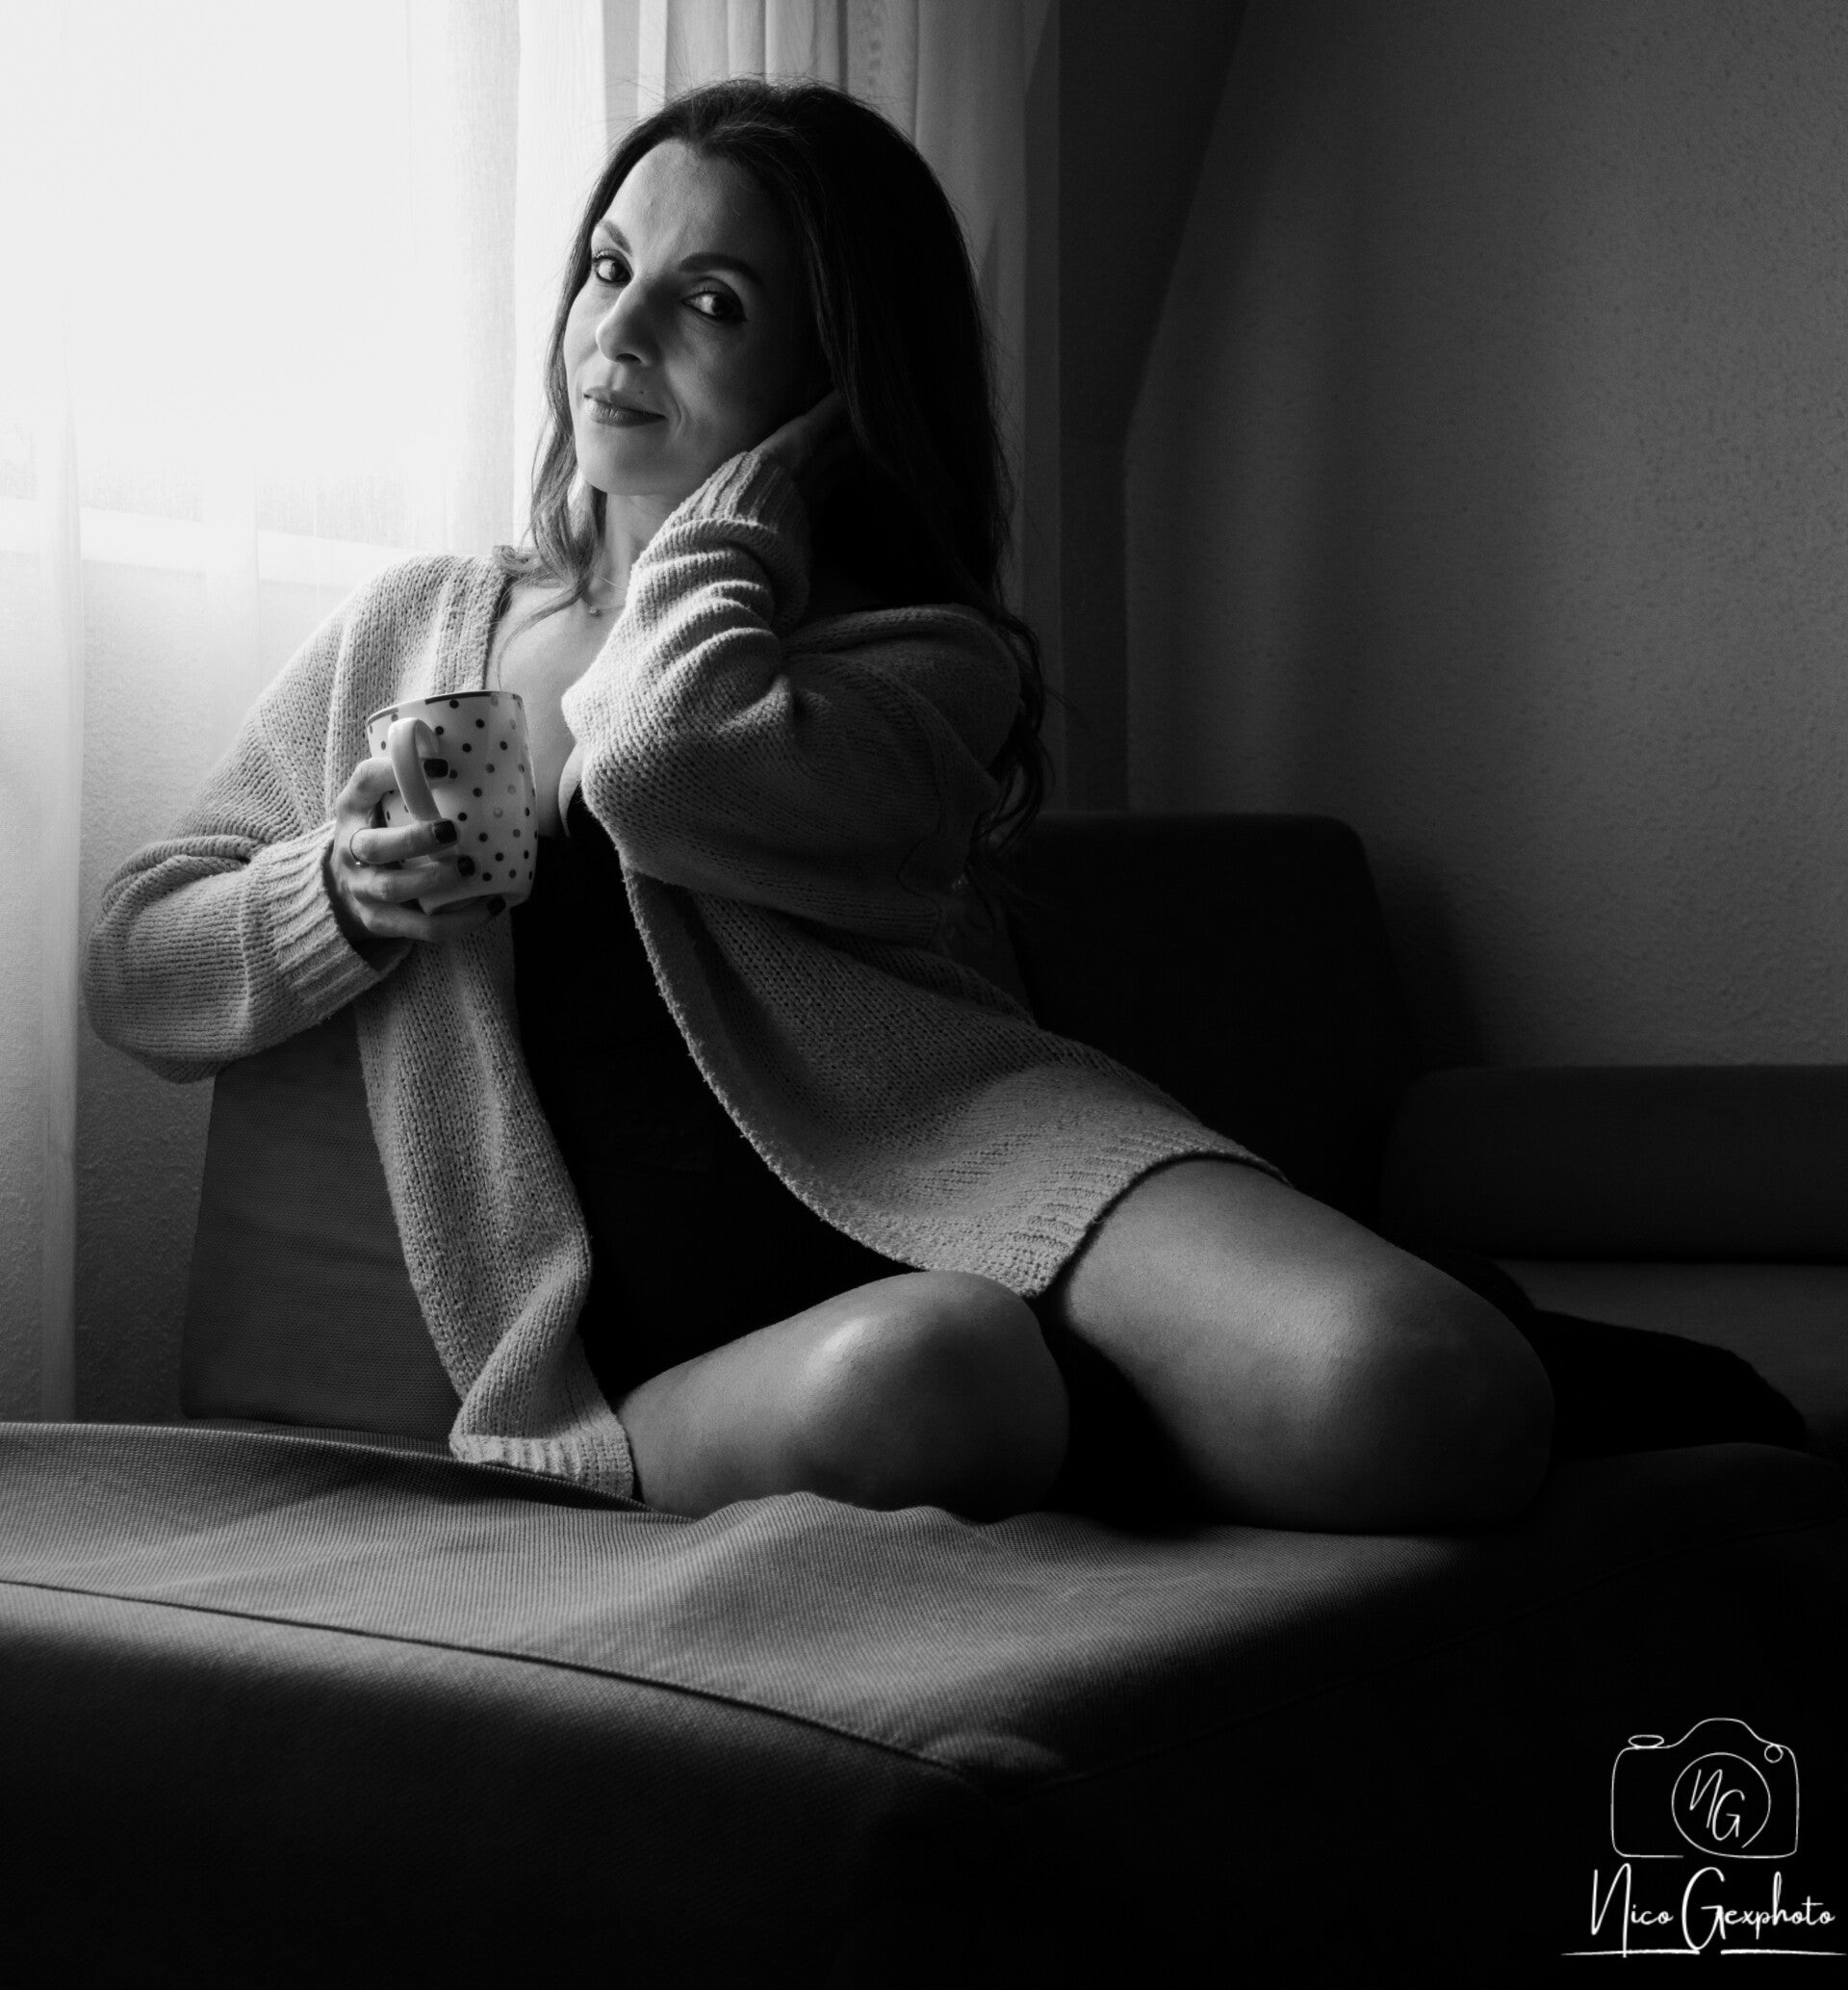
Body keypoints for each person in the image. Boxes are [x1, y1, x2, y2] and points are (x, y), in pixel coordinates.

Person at [83, 79, 1553, 1531]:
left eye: (712, 303)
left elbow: (660, 764)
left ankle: (1243, 1386)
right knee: (946, 1373)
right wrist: (342, 894)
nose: (620, 333)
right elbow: (138, 963)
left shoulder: (921, 660)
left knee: (1429, 1388)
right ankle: (1138, 1416)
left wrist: (721, 531)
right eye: (610, 268)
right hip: (717, 1357)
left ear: (833, 382)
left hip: (985, 1157)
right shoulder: (413, 632)